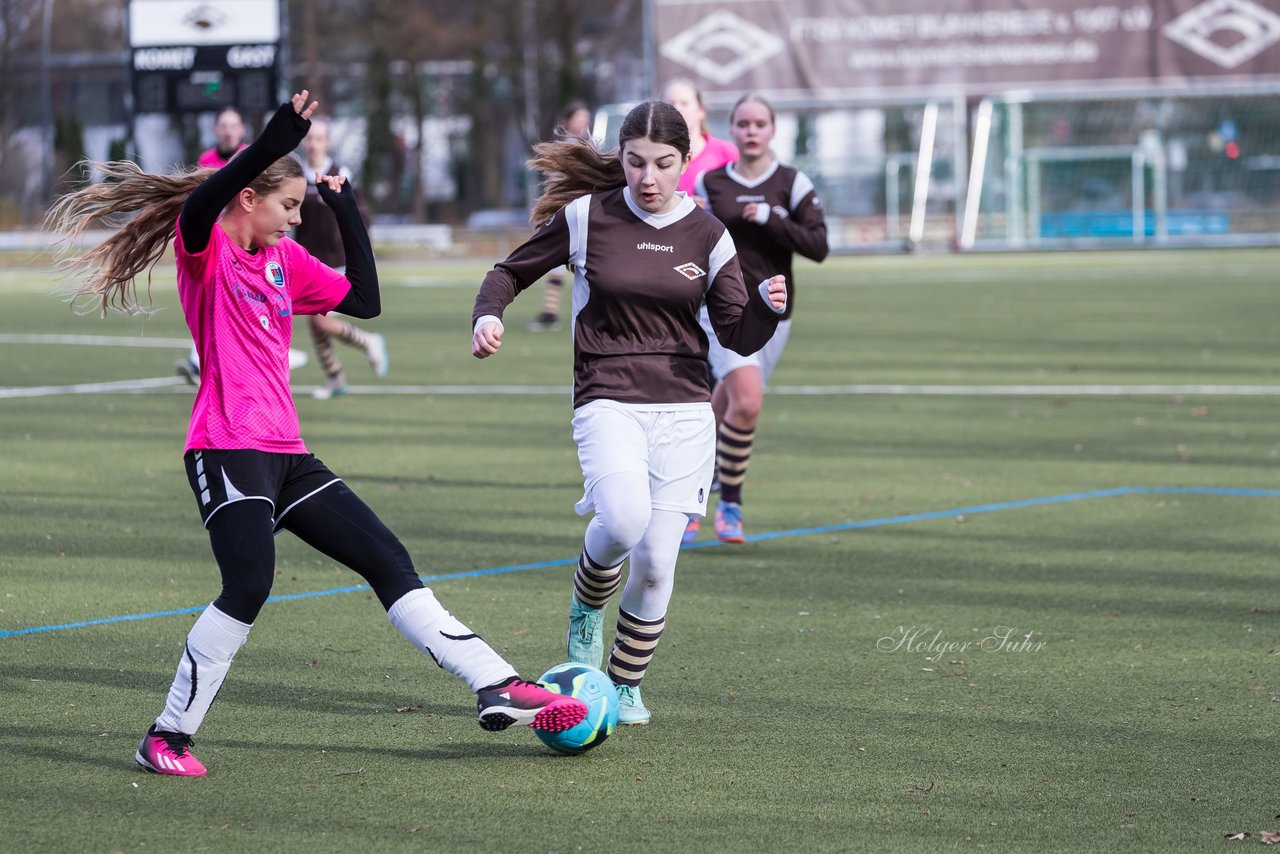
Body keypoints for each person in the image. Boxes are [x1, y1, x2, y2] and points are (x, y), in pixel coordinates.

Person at [46, 90, 586, 778]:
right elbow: (201, 205)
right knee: (248, 584)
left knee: (389, 561)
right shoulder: (206, 248)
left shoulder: (283, 261)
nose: (296, 219)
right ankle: (166, 736)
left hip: (287, 454)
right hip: (224, 445)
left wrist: (345, 206)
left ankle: (498, 683)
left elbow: (365, 300)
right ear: (250, 198)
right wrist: (272, 141)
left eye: (302, 207)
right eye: (289, 206)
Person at [470, 100, 788, 725]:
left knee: (658, 560)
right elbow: (509, 272)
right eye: (636, 163)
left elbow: (738, 335)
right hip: (607, 394)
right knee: (621, 520)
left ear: (684, 162)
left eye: (663, 165)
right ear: (622, 158)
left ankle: (623, 685)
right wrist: (488, 314)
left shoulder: (708, 234)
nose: (648, 178)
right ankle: (587, 607)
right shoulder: (588, 216)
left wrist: (765, 307)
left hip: (686, 408)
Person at [685, 93, 830, 546]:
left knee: (725, 405)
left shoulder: (791, 182)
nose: (750, 131)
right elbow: (690, 240)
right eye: (742, 124)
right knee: (747, 401)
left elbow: (818, 246)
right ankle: (729, 504)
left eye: (759, 124)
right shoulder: (711, 183)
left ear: (772, 130)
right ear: (731, 129)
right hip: (722, 310)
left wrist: (771, 218)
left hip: (776, 314)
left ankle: (685, 495)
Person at [296, 118, 389, 398]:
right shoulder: (298, 176)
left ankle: (368, 342)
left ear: (328, 143)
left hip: (338, 260)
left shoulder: (340, 173)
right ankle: (335, 377)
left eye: (319, 138)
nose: (313, 144)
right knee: (314, 321)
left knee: (319, 320)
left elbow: (361, 215)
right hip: (309, 261)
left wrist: (362, 247)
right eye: (310, 139)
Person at [179, 106, 251, 383]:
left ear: (241, 129)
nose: (229, 130)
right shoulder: (206, 160)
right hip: (214, 243)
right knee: (209, 298)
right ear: (216, 130)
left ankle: (208, 362)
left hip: (242, 243)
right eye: (224, 125)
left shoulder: (249, 157)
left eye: (234, 125)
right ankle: (201, 361)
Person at [526, 100, 593, 333]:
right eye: (579, 117)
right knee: (555, 263)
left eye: (586, 117)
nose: (584, 122)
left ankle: (553, 314)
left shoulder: (589, 146)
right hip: (565, 212)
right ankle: (550, 313)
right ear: (568, 121)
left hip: (584, 213)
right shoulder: (563, 149)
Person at [660, 78, 737, 203]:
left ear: (701, 111)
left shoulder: (727, 152)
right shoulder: (651, 156)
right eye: (670, 103)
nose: (677, 109)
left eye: (684, 103)